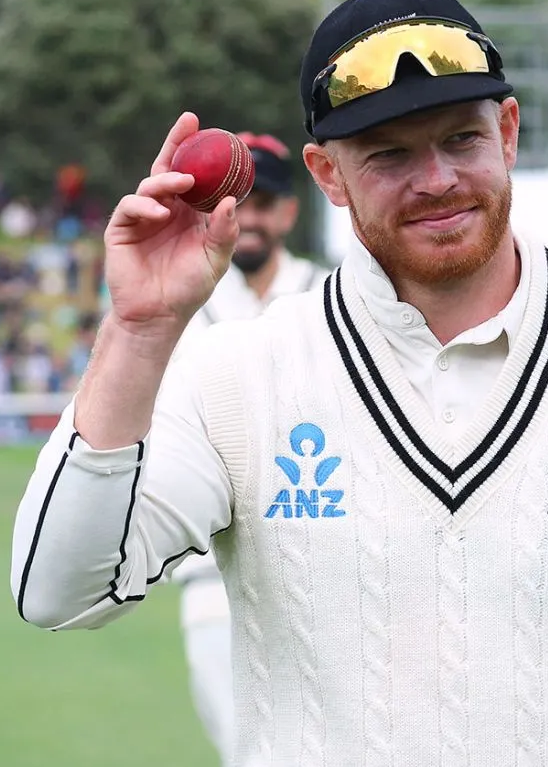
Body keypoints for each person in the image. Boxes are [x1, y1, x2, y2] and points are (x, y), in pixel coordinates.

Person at [10, 0, 548, 765]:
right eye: (389, 154)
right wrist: (138, 329)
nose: (437, 179)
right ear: (327, 174)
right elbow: (58, 587)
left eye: (461, 139)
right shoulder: (241, 374)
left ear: (508, 131)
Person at [168, 130, 329, 764]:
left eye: (264, 203)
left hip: (323, 563)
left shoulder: (328, 292)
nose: (250, 219)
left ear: (288, 213)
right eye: (236, 203)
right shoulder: (183, 302)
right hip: (211, 575)